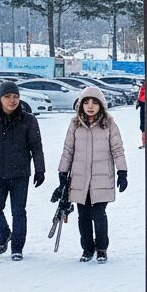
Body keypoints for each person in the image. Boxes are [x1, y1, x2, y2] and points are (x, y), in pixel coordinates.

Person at [53, 86, 127, 263]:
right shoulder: (75, 124)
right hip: (79, 179)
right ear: (81, 105)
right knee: (83, 216)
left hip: (102, 178)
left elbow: (117, 150)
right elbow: (68, 150)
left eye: (95, 102)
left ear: (101, 105)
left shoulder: (109, 124)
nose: (91, 106)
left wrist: (122, 171)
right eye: (87, 102)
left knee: (99, 215)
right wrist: (62, 173)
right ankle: (87, 248)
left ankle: (101, 248)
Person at [0, 81, 46, 261]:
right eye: (7, 97)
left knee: (18, 211)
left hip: (21, 174)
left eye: (15, 97)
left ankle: (17, 248)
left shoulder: (28, 119)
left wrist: (40, 170)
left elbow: (36, 146)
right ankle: (5, 234)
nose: (12, 101)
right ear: (0, 99)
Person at [136, 80, 146, 149]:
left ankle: (145, 142)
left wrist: (140, 100)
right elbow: (141, 93)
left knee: (144, 125)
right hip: (143, 104)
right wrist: (139, 101)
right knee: (143, 125)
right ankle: (144, 142)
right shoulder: (145, 84)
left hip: (145, 104)